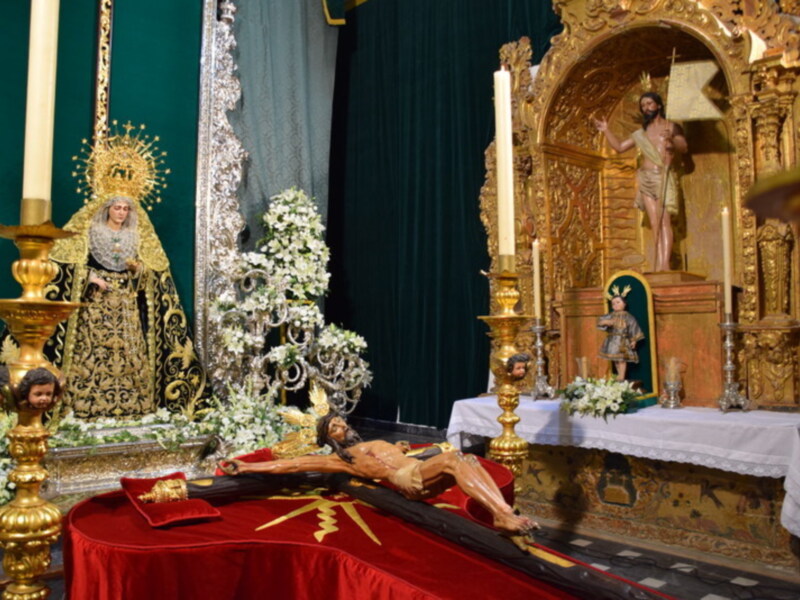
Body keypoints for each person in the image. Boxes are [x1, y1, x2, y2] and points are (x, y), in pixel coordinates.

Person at [220, 412, 538, 536]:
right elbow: (291, 465)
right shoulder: (339, 460)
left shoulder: (371, 443)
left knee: (470, 461)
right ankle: (501, 514)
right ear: (330, 438)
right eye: (335, 428)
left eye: (341, 421)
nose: (342, 426)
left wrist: (401, 449)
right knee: (456, 460)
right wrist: (248, 466)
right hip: (408, 481)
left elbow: (400, 454)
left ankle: (503, 513)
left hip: (416, 469)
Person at [595, 92, 688, 272]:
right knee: (654, 222)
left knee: (664, 221)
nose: (646, 108)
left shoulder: (671, 127)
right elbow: (620, 147)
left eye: (650, 104)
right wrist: (606, 130)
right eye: (643, 105)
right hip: (646, 178)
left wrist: (672, 140)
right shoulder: (641, 133)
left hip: (663, 176)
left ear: (659, 106)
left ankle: (665, 265)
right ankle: (659, 263)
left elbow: (683, 147)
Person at [597, 295, 644, 382]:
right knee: (615, 359)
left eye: (618, 302)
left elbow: (633, 327)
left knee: (622, 359)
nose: (616, 305)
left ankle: (622, 376)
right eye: (613, 303)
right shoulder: (610, 315)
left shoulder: (628, 316)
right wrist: (605, 322)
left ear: (624, 304)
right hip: (612, 340)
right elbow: (600, 322)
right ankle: (619, 374)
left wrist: (634, 340)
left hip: (622, 340)